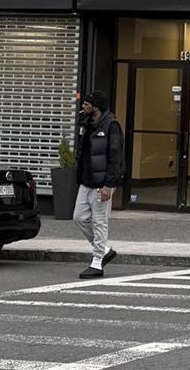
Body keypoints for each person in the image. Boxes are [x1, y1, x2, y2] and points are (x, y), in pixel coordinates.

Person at [74, 89, 124, 279]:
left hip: (102, 183)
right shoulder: (87, 123)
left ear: (96, 107)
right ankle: (104, 250)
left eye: (87, 104)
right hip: (86, 181)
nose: (83, 106)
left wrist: (109, 185)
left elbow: (116, 157)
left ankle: (97, 263)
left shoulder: (112, 125)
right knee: (78, 217)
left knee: (99, 222)